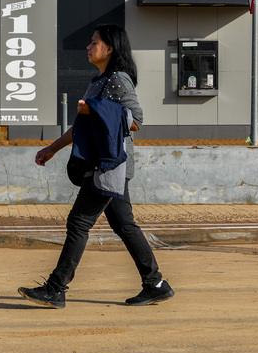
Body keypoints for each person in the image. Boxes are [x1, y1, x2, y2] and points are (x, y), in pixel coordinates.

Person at [18, 24, 174, 309]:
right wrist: (52, 148)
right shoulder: (98, 81)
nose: (88, 47)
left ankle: (56, 288)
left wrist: (98, 109)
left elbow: (137, 120)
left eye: (94, 43)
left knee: (78, 222)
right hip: (103, 163)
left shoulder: (118, 80)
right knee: (124, 225)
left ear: (110, 48)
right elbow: (82, 126)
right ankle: (156, 284)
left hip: (109, 166)